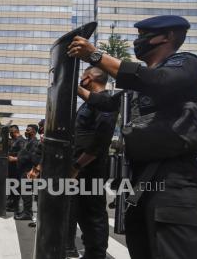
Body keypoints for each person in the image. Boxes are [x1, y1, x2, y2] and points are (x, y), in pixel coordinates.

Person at [68, 15, 197, 259]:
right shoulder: (135, 87)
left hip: (173, 180)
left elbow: (160, 81)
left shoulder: (187, 63)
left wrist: (95, 56)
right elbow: (103, 101)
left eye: (144, 35)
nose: (138, 41)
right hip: (138, 182)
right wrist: (71, 85)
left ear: (168, 36)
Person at [68, 66, 118, 259]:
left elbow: (100, 141)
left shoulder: (106, 102)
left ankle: (96, 255)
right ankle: (90, 251)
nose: (80, 80)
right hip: (80, 168)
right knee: (81, 212)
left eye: (81, 77)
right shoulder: (88, 104)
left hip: (91, 168)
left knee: (93, 214)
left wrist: (77, 166)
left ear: (88, 79)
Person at [14, 124, 39, 220]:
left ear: (33, 131)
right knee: (24, 193)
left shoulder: (35, 143)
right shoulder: (27, 142)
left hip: (28, 171)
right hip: (23, 170)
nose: (26, 132)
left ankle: (27, 213)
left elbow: (33, 157)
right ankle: (26, 211)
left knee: (26, 193)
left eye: (28, 130)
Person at [6, 124, 26, 212]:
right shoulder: (14, 140)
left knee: (15, 186)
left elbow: (24, 155)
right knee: (11, 185)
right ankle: (11, 203)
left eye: (10, 132)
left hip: (16, 167)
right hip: (11, 167)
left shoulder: (21, 141)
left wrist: (14, 159)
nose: (10, 134)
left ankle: (14, 205)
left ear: (15, 131)